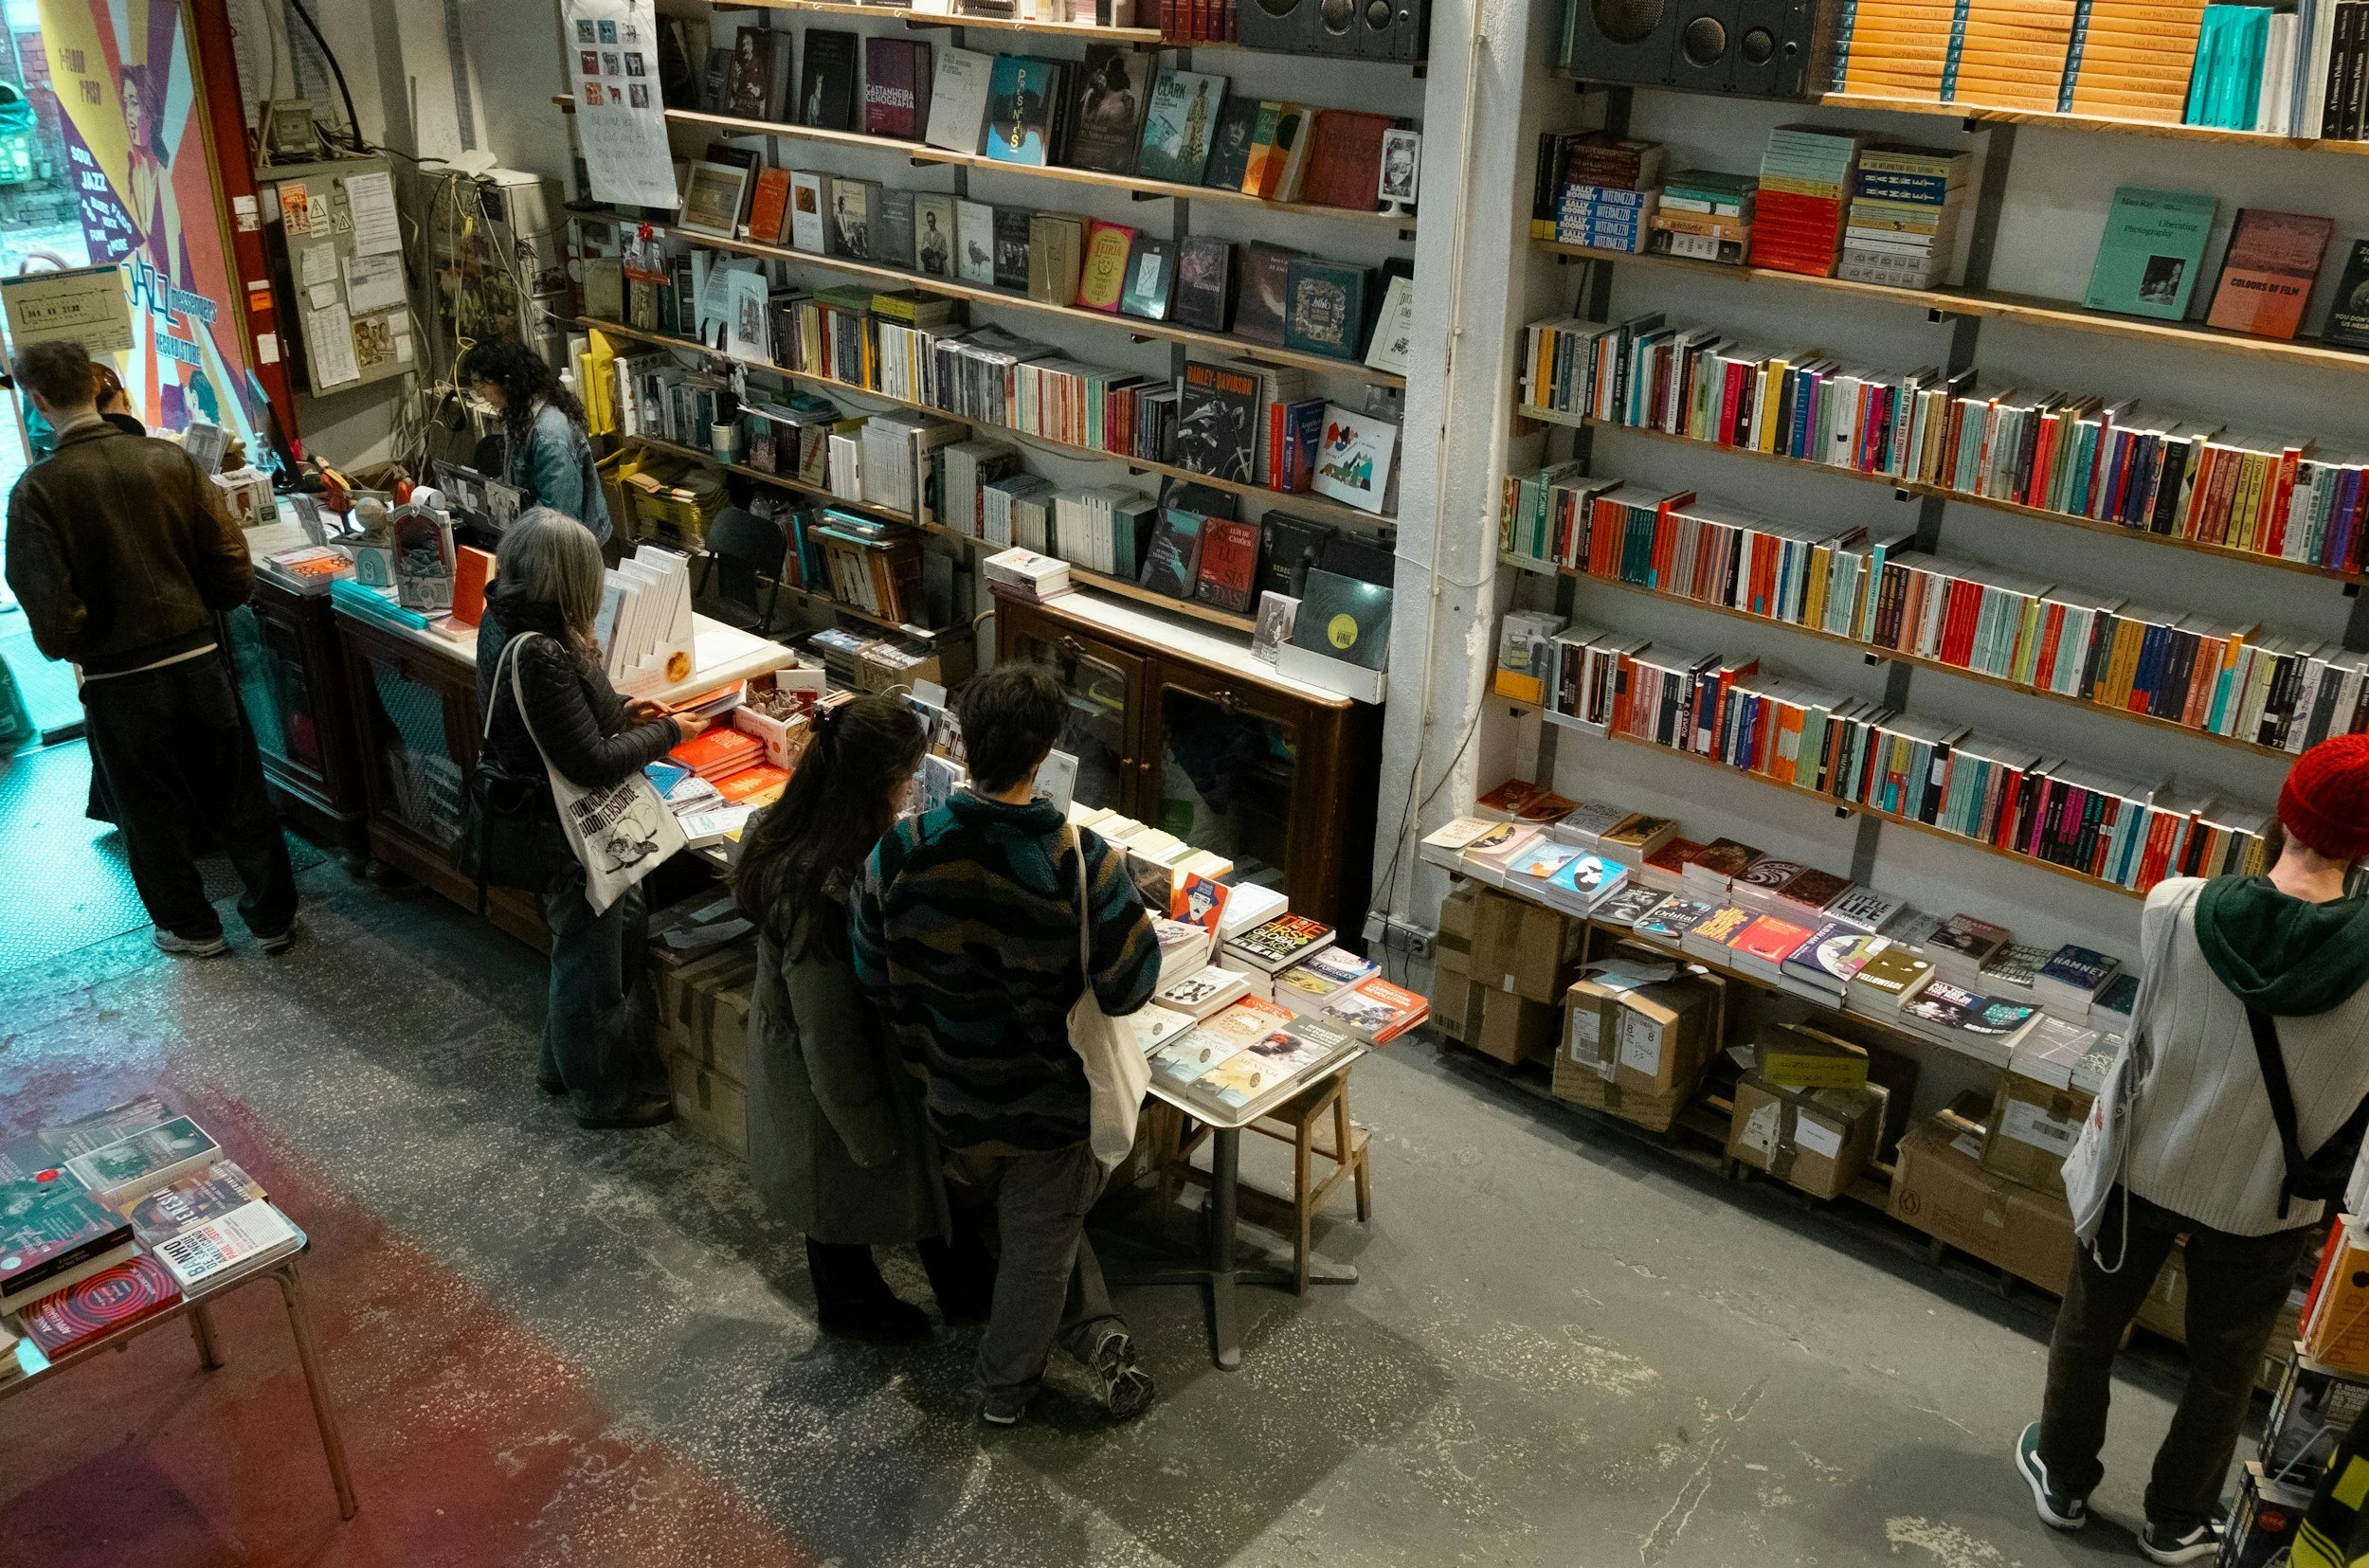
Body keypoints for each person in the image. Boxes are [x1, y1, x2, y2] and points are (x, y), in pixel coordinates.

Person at [2016, 732, 2369, 1565]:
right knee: (2226, 1362)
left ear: (2286, 811)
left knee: (2090, 1326)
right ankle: (2177, 1519)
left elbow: (2146, 1044)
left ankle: (2063, 1477)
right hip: (2269, 1197)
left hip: (2145, 1165)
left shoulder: (2174, 906)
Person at [852, 663, 1163, 1426]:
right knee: (1037, 1250)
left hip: (950, 1095)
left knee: (1026, 1234)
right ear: (1043, 754)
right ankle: (1003, 1391)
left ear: (960, 740)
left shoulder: (900, 850)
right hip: (1047, 1112)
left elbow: (872, 972)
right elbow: (1130, 985)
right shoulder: (1081, 862)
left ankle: (1082, 1333)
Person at [3, 338, 297, 957]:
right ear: (92, 382)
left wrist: (86, 640)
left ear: (36, 400)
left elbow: (51, 616)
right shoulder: (169, 462)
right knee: (238, 792)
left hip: (118, 678)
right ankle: (272, 918)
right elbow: (231, 570)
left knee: (150, 812)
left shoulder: (37, 492)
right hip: (197, 660)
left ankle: (193, 927)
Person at [732, 694, 994, 1341]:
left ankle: (907, 1293)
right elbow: (830, 1037)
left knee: (840, 1204)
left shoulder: (789, 828)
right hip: (830, 1074)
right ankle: (858, 1308)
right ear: (878, 785)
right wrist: (871, 1132)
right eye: (907, 779)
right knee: (839, 1197)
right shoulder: (822, 890)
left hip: (808, 1054)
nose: (911, 792)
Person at [476, 509, 682, 1128]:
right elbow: (590, 762)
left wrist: (618, 706)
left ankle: (558, 1065)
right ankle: (600, 1093)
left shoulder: (507, 616)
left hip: (552, 820)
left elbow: (563, 716)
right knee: (589, 966)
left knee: (596, 944)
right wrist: (669, 731)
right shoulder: (541, 651)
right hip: (565, 833)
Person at [461, 338, 611, 541]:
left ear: (507, 380)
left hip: (566, 544)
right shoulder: (521, 413)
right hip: (539, 531)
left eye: (482, 383)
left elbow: (557, 519)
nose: (480, 393)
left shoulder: (549, 435)